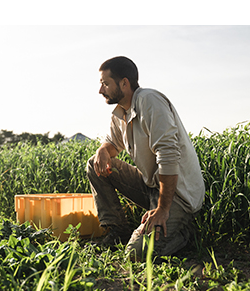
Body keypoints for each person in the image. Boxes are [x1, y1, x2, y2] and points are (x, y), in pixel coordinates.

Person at [86, 56, 205, 260]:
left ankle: (185, 230)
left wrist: (162, 209)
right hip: (151, 187)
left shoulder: (149, 100)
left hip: (178, 196)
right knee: (94, 163)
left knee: (136, 254)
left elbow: (168, 155)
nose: (100, 90)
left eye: (106, 83)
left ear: (124, 83)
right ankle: (117, 230)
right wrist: (103, 150)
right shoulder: (120, 112)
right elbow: (113, 144)